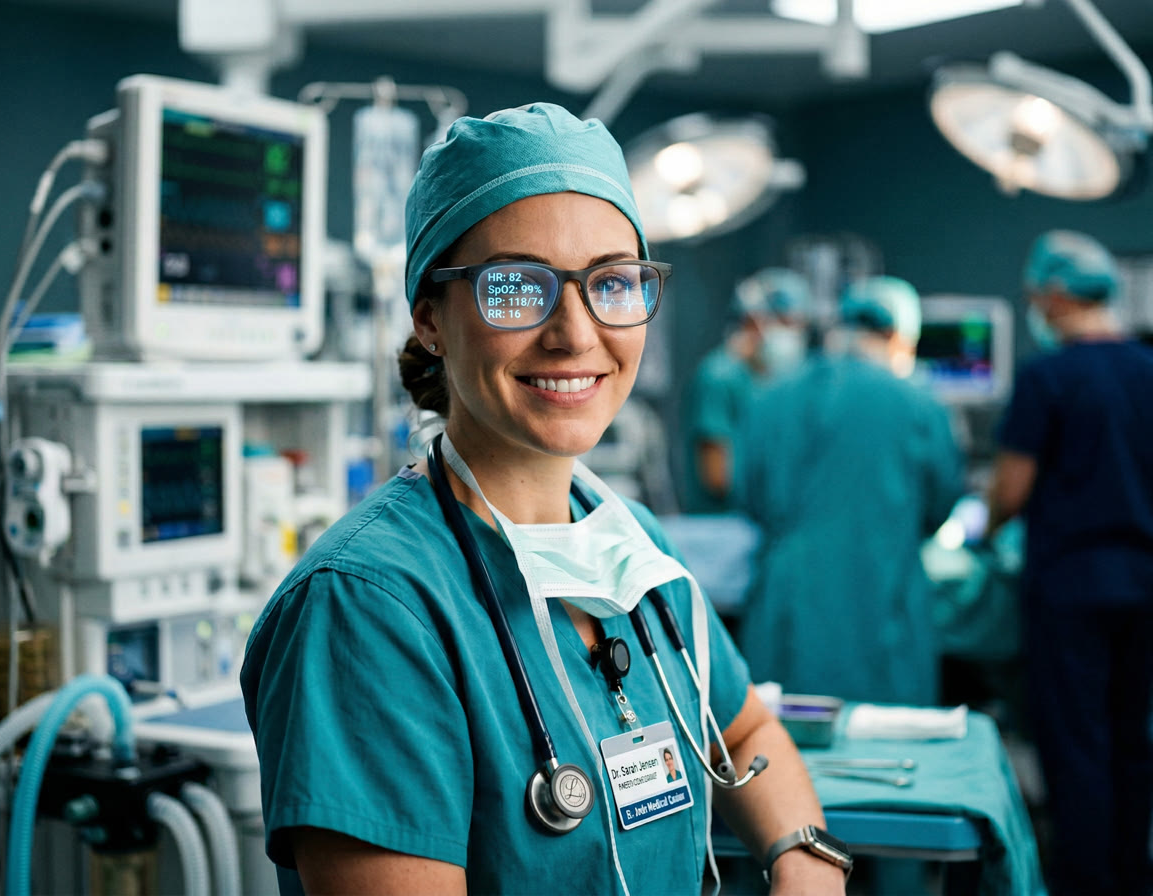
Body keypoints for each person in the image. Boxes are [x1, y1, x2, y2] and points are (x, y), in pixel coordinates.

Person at [241, 103, 848, 896]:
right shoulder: (367, 608)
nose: (574, 332)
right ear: (431, 317)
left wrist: (803, 860)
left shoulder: (632, 549)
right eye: (516, 287)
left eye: (612, 283)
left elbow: (745, 726)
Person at [987, 230, 1153, 896]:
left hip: (1071, 586)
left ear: (1055, 296)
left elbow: (1011, 491)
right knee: (1132, 736)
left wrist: (984, 528)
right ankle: (1132, 877)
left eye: (1036, 295)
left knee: (1076, 742)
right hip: (1144, 582)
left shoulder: (1047, 377)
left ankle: (1085, 882)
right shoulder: (1147, 369)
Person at [735, 275, 964, 706]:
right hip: (882, 606)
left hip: (789, 614)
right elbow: (940, 505)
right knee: (890, 746)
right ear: (899, 336)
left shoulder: (769, 398)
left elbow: (748, 497)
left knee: (783, 750)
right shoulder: (919, 405)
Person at [679, 268, 812, 514]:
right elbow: (717, 476)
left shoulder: (783, 379)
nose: (792, 333)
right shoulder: (720, 378)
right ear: (753, 320)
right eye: (785, 322)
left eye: (797, 324)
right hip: (724, 527)